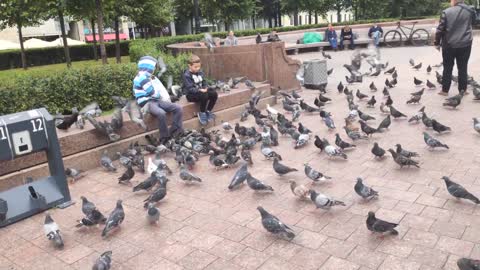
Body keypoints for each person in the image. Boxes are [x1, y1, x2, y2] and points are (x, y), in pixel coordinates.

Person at [133, 56, 184, 144]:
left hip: (156, 100)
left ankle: (176, 131)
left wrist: (161, 96)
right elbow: (152, 92)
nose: (154, 69)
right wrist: (159, 95)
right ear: (148, 67)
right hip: (147, 102)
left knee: (178, 108)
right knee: (161, 113)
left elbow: (157, 90)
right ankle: (164, 137)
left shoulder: (150, 77)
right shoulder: (141, 78)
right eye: (153, 67)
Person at [435, 0, 476, 96]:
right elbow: (473, 22)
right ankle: (463, 90)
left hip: (449, 45)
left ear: (454, 1)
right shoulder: (470, 11)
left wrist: (436, 42)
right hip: (465, 44)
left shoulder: (446, 12)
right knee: (463, 67)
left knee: (448, 67)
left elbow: (440, 30)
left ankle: (445, 90)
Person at [182, 54, 218, 126]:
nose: (198, 68)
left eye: (199, 66)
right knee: (204, 95)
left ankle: (208, 111)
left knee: (214, 93)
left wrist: (205, 87)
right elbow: (190, 89)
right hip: (191, 95)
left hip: (201, 92)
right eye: (196, 67)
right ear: (190, 65)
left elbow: (204, 82)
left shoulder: (200, 72)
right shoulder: (187, 75)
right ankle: (202, 113)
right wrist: (200, 90)